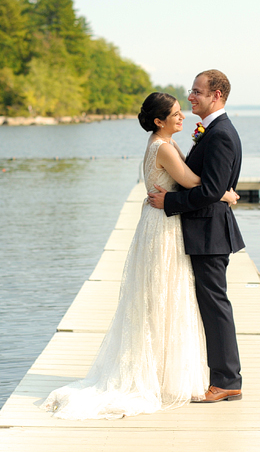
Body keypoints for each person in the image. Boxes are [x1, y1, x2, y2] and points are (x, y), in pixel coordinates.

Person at [41, 92, 239, 420]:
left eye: (181, 111)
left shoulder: (161, 143)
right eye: (175, 113)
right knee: (163, 297)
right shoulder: (162, 147)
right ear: (159, 121)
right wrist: (225, 193)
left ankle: (163, 371)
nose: (183, 117)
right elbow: (192, 182)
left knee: (163, 298)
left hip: (161, 223)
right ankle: (158, 375)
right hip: (163, 229)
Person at [148, 69, 245, 403]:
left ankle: (227, 380)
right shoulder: (213, 131)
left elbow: (211, 190)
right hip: (204, 230)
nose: (191, 97)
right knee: (210, 304)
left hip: (210, 232)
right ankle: (222, 377)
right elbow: (217, 187)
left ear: (216, 95)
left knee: (215, 306)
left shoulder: (220, 134)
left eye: (196, 92)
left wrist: (169, 201)